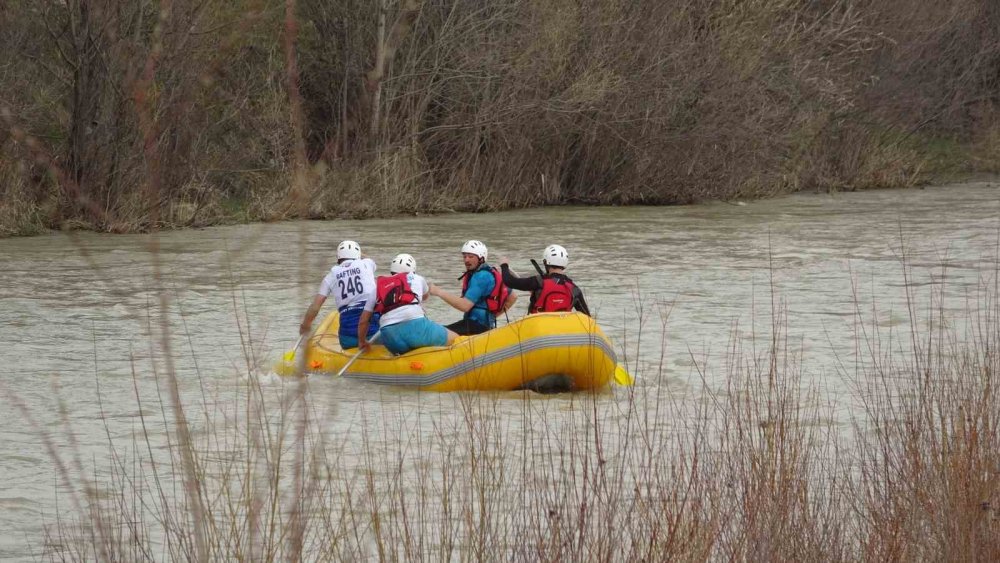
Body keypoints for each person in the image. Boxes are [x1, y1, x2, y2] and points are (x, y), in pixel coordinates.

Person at [360, 253, 458, 354]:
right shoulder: (417, 278)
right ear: (413, 270)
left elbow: (363, 320)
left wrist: (362, 341)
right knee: (455, 339)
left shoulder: (377, 288)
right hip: (415, 326)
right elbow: (425, 296)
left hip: (388, 334)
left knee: (403, 350)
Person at [299, 240, 380, 349]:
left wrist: (305, 325)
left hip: (347, 338)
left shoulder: (330, 276)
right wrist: (358, 253)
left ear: (338, 257)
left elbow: (315, 307)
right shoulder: (366, 264)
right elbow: (368, 258)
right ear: (358, 255)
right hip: (372, 333)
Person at [430, 240, 517, 335]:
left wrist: (438, 292)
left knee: (435, 332)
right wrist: (491, 317)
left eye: (471, 257)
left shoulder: (481, 277)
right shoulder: (488, 273)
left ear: (481, 258)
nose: (466, 260)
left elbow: (465, 306)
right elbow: (512, 297)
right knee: (439, 329)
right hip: (481, 325)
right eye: (464, 256)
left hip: (476, 326)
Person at [498, 244, 590, 316]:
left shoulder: (538, 282)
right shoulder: (573, 288)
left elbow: (509, 281)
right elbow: (587, 316)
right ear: (565, 263)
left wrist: (504, 265)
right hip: (563, 329)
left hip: (537, 328)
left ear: (545, 262)